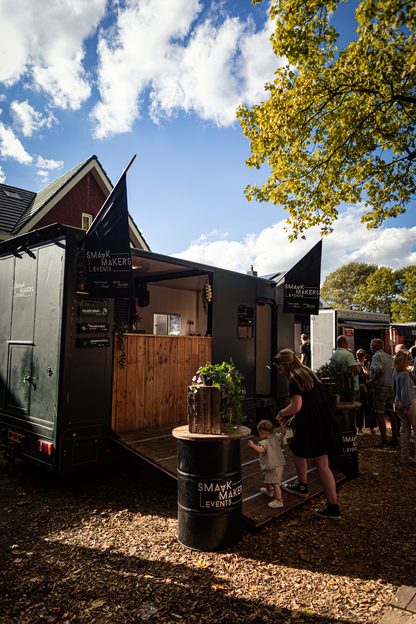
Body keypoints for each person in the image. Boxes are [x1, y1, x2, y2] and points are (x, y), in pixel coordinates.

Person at [273, 349, 343, 521]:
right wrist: (296, 418)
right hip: (323, 421)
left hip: (315, 425)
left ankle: (332, 507)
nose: (280, 372)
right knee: (302, 451)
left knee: (319, 463)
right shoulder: (306, 373)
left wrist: (282, 413)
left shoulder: (295, 378)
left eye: (279, 368)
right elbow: (313, 401)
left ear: (285, 364)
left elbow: (296, 405)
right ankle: (304, 487)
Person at [248, 418, 286, 508]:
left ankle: (279, 500)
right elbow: (283, 433)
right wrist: (281, 424)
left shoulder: (264, 442)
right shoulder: (276, 438)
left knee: (275, 484)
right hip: (277, 464)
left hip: (273, 466)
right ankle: (269, 491)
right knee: (267, 477)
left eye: (259, 433)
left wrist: (253, 445)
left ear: (263, 432)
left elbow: (260, 450)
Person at [368, 338, 399, 448]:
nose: (370, 347)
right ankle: (395, 438)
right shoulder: (389, 357)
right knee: (391, 413)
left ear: (377, 346)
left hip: (381, 389)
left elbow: (380, 371)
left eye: (371, 345)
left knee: (379, 413)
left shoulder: (377, 356)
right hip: (391, 388)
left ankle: (384, 440)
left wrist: (372, 381)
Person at [393, 349, 416, 464]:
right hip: (408, 403)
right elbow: (405, 392)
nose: (411, 360)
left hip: (398, 402)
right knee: (414, 429)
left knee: (405, 430)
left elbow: (395, 389)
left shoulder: (396, 372)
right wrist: (407, 407)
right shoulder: (404, 374)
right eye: (409, 358)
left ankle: (404, 456)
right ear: (404, 360)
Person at [331, 335, 360, 402]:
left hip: (339, 386)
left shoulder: (334, 355)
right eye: (348, 341)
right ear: (344, 342)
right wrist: (358, 368)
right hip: (350, 387)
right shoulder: (348, 354)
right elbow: (354, 372)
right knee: (353, 409)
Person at [355, 349, 377, 436]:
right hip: (359, 388)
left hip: (367, 388)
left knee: (370, 408)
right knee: (359, 409)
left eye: (362, 358)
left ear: (365, 357)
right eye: (359, 358)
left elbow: (369, 376)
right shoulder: (355, 364)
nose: (360, 359)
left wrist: (363, 367)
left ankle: (372, 428)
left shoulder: (368, 364)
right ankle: (359, 428)